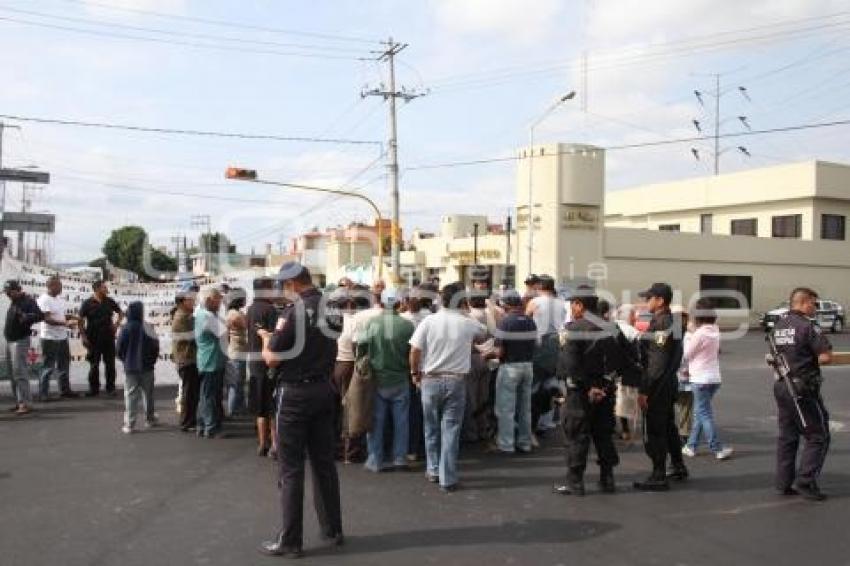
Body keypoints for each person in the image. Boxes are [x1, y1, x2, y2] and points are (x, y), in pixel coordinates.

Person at [258, 262, 342, 558]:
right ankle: (333, 528)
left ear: (294, 282)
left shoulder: (292, 313)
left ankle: (290, 540)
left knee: (290, 469)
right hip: (323, 389)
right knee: (324, 464)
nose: (283, 290)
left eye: (284, 284)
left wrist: (267, 340)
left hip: (295, 394)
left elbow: (272, 359)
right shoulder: (331, 306)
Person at [409, 282, 486, 492]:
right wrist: (467, 312)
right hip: (456, 381)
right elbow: (484, 333)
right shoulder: (467, 323)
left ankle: (433, 469)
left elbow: (415, 351)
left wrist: (415, 374)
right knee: (451, 429)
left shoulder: (428, 321)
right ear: (462, 301)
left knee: (431, 427)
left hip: (430, 379)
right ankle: (447, 477)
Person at [554, 290, 619, 496]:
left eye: (573, 304)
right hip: (605, 391)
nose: (571, 309)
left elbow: (570, 366)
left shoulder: (572, 329)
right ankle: (607, 478)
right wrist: (605, 386)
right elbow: (622, 360)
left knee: (576, 436)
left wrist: (589, 387)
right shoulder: (612, 328)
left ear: (580, 305)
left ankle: (576, 482)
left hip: (580, 393)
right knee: (604, 435)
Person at [770, 287, 833, 501]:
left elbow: (774, 356)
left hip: (782, 385)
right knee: (818, 436)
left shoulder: (778, 326)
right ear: (803, 303)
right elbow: (825, 356)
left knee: (787, 436)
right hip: (802, 389)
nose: (815, 308)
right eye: (813, 304)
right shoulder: (807, 327)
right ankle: (806, 481)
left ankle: (783, 482)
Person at [634, 283, 688, 492]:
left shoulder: (662, 324)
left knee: (655, 431)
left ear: (660, 300)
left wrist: (645, 390)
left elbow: (656, 363)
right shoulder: (672, 322)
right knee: (668, 427)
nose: (646, 302)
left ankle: (658, 475)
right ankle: (677, 465)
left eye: (649, 298)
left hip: (658, 385)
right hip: (668, 382)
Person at [358, 288, 415, 472]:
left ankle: (375, 459)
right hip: (400, 378)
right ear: (399, 303)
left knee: (376, 421)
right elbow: (412, 352)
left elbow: (361, 348)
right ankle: (400, 458)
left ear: (381, 302)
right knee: (401, 421)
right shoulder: (407, 326)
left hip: (377, 379)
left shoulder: (372, 323)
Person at [681, 298, 733, 460]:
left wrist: (689, 334)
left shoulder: (699, 334)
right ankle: (691, 446)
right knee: (700, 413)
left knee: (704, 414)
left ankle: (717, 448)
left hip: (700, 379)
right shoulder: (715, 330)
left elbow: (687, 354)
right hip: (714, 378)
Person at [489, 291, 536, 454]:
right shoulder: (530, 321)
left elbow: (499, 352)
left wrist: (487, 354)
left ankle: (506, 444)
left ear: (505, 305)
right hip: (528, 366)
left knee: (506, 409)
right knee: (525, 408)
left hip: (510, 367)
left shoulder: (505, 323)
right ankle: (525, 442)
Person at [247, 277, 280, 457]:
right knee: (272, 406)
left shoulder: (250, 309)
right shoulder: (270, 310)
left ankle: (262, 443)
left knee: (260, 407)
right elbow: (276, 338)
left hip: (254, 363)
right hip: (268, 363)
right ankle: (274, 444)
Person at [116, 301, 160, 433]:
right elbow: (155, 347)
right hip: (147, 367)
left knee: (130, 396)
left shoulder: (125, 328)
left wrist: (126, 360)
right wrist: (151, 361)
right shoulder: (148, 327)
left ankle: (130, 424)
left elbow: (119, 349)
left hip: (130, 367)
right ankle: (150, 419)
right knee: (148, 394)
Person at [3, 280, 43, 415]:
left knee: (19, 372)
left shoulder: (27, 301)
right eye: (6, 292)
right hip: (10, 340)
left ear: (17, 290)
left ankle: (25, 403)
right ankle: (19, 401)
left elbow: (39, 315)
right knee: (12, 373)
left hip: (20, 340)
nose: (8, 295)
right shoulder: (14, 302)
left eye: (10, 292)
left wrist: (26, 317)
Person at [37, 276, 79, 400]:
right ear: (51, 286)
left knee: (64, 364)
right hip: (49, 338)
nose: (61, 288)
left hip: (62, 337)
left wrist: (72, 318)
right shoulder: (44, 300)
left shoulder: (59, 299)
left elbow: (60, 315)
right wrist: (65, 324)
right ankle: (43, 393)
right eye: (59, 285)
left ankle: (65, 390)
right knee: (48, 366)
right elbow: (47, 319)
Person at [79, 280, 123, 397]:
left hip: (108, 337)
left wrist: (116, 324)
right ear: (97, 289)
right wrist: (83, 336)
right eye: (104, 288)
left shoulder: (109, 301)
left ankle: (110, 388)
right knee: (94, 364)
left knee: (110, 364)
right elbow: (80, 321)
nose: (106, 289)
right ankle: (94, 389)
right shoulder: (87, 303)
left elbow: (121, 313)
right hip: (93, 338)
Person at [194, 287, 227, 439]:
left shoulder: (201, 313)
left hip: (207, 359)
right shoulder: (207, 315)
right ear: (209, 300)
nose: (220, 303)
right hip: (211, 361)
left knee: (205, 395)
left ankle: (202, 425)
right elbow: (223, 331)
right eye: (218, 300)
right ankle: (210, 427)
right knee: (210, 396)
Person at [172, 283, 199, 432]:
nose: (193, 302)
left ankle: (190, 420)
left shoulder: (186, 315)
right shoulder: (181, 317)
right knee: (188, 394)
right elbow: (192, 337)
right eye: (190, 300)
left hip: (189, 358)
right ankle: (186, 422)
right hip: (186, 358)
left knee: (191, 392)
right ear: (182, 301)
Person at [614, 304, 642, 441]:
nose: (635, 317)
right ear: (629, 316)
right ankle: (626, 430)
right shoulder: (632, 331)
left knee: (618, 401)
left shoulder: (612, 328)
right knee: (624, 401)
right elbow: (638, 353)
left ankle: (620, 429)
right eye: (633, 314)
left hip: (613, 372)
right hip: (627, 372)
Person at [224, 288, 248, 417]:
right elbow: (247, 326)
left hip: (236, 351)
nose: (245, 300)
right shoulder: (235, 315)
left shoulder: (232, 313)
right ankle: (233, 409)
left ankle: (238, 407)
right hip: (237, 352)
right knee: (236, 383)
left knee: (237, 382)